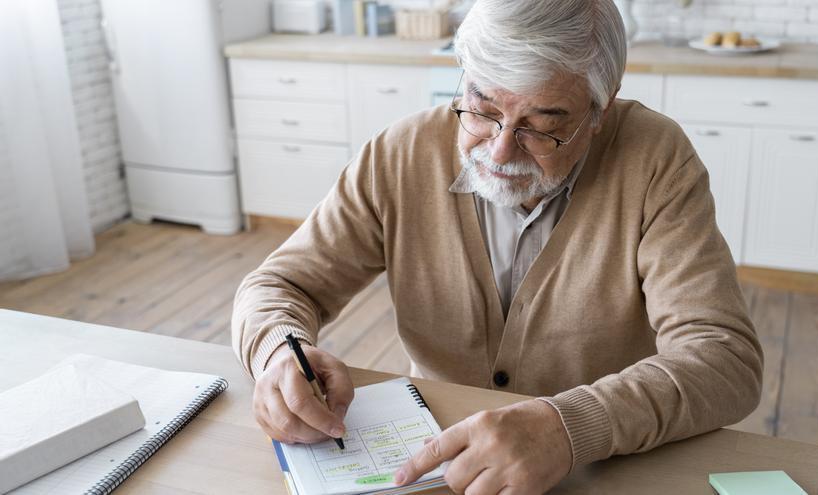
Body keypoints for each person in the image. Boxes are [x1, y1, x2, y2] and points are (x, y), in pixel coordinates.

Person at [231, 0, 764, 493]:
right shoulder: (399, 153)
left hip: (598, 465)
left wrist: (568, 426)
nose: (501, 148)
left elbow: (724, 358)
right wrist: (278, 351)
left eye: (542, 126)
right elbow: (281, 284)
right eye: (482, 108)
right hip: (435, 461)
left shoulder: (655, 160)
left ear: (601, 110)